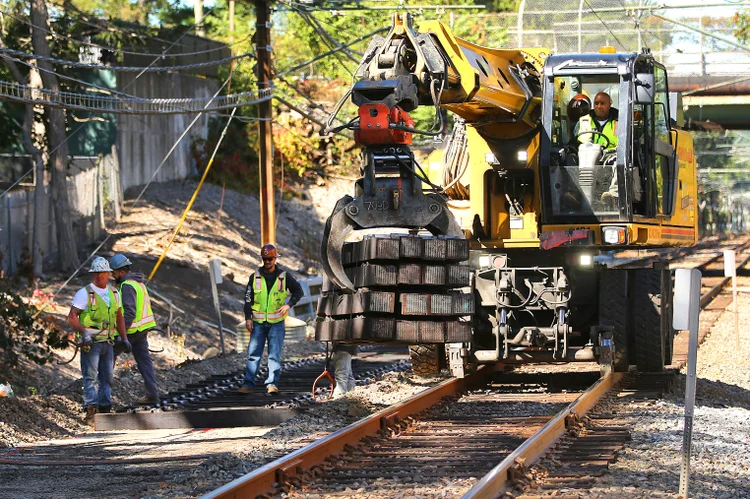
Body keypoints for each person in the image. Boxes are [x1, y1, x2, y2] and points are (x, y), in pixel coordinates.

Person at [67, 257, 131, 424]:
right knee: (90, 377)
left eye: (103, 273)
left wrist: (124, 338)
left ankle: (105, 409)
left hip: (108, 343)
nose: (100, 276)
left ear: (108, 274)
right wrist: (84, 333)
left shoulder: (114, 293)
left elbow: (119, 317)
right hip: (92, 343)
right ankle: (91, 411)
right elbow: (72, 317)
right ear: (93, 274)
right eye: (97, 273)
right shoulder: (84, 294)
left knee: (107, 377)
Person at [238, 244, 304, 395]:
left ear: (275, 259)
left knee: (274, 354)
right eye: (265, 259)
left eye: (270, 259)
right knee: (253, 354)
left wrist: (289, 305)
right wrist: (248, 318)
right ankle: (248, 385)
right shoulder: (254, 277)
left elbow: (298, 291)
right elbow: (248, 299)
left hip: (276, 323)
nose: (267, 262)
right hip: (258, 323)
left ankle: (272, 384)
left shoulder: (284, 276)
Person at [110, 254, 161, 405]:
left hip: (131, 330)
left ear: (121, 271)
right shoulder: (139, 284)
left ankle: (103, 397)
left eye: (114, 272)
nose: (113, 276)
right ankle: (152, 394)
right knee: (144, 361)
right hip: (142, 330)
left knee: (109, 354)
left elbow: (130, 312)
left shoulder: (127, 286)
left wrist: (121, 334)